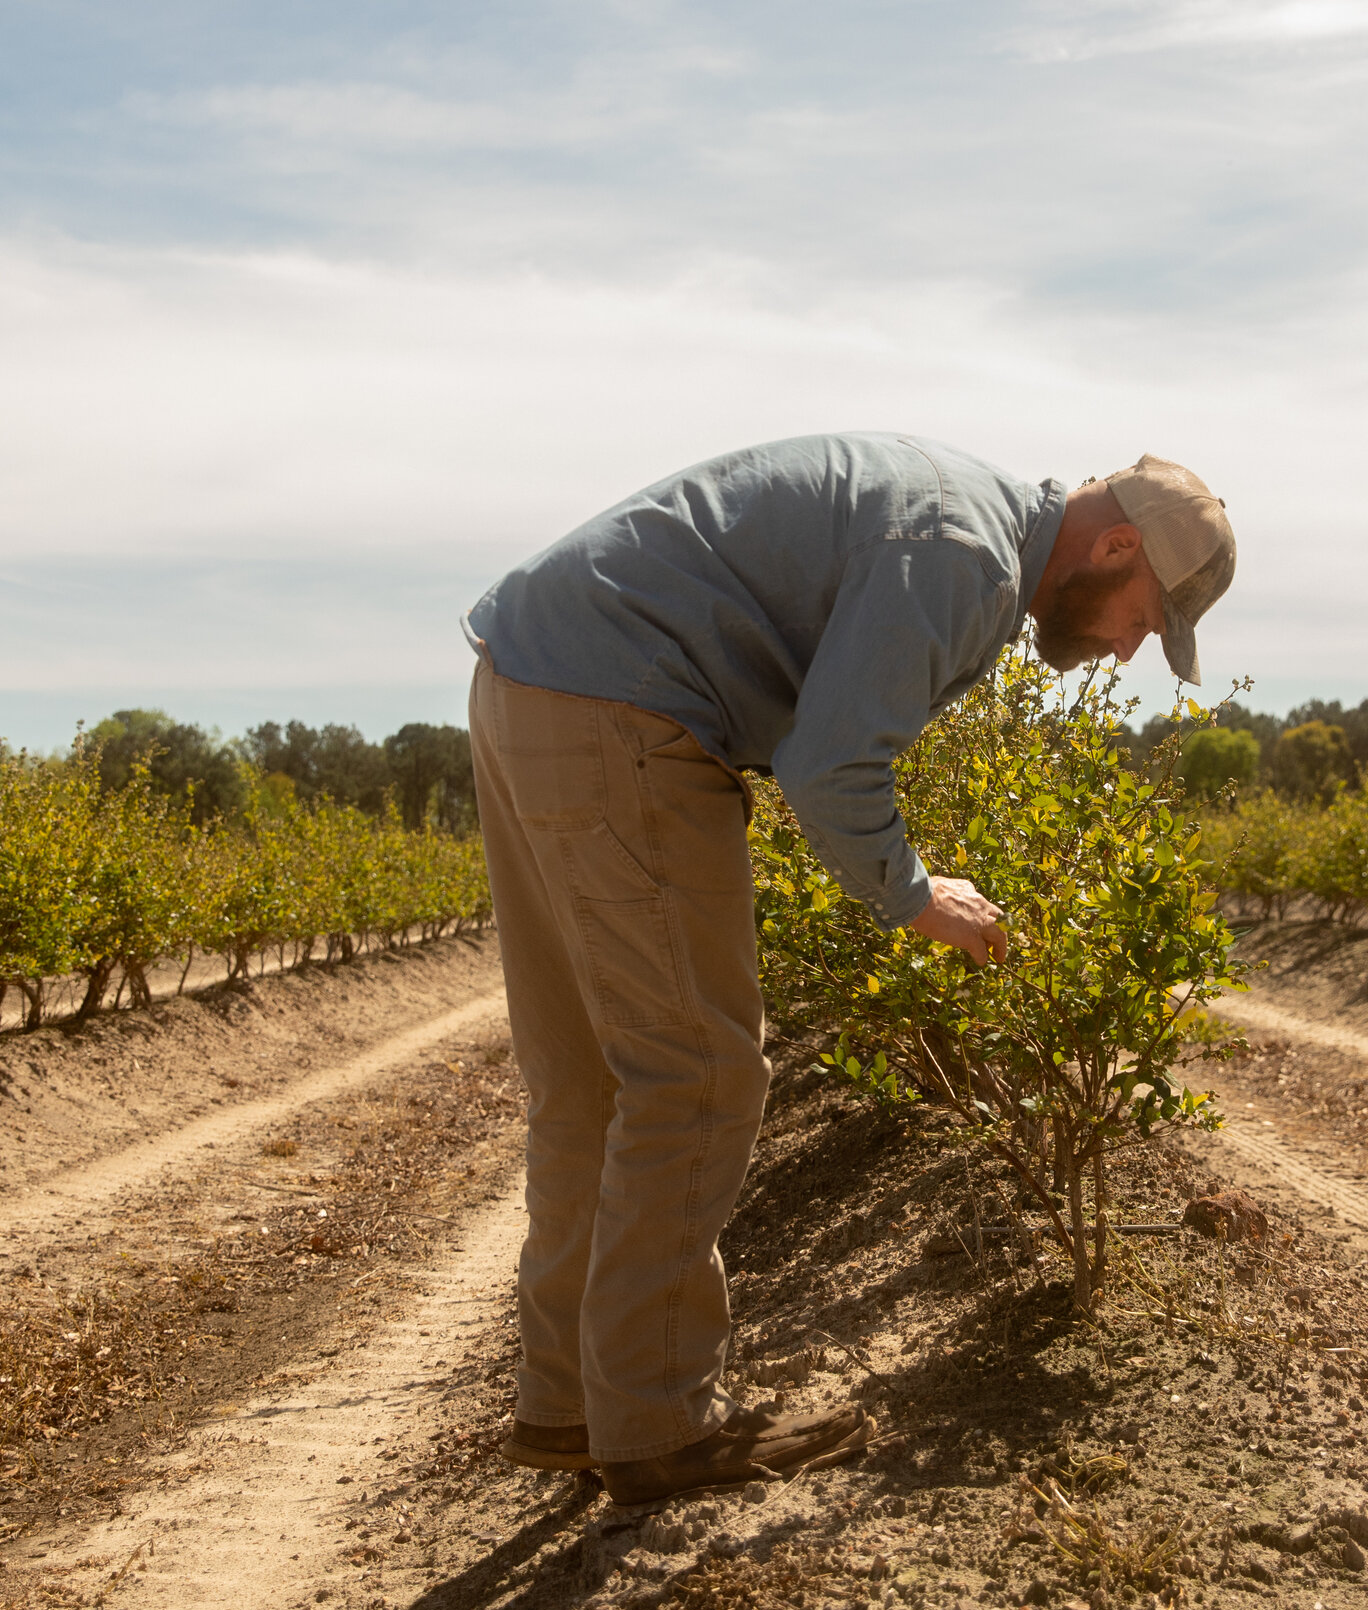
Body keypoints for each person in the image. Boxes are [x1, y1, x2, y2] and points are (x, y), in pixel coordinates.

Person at [463, 433, 1235, 1507]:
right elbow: (830, 763)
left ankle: (570, 1407)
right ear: (1111, 547)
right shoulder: (964, 556)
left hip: (531, 681)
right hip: (626, 707)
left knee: (593, 1081)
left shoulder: (957, 514)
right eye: (1143, 621)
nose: (1124, 652)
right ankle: (653, 1425)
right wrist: (918, 895)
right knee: (699, 1077)